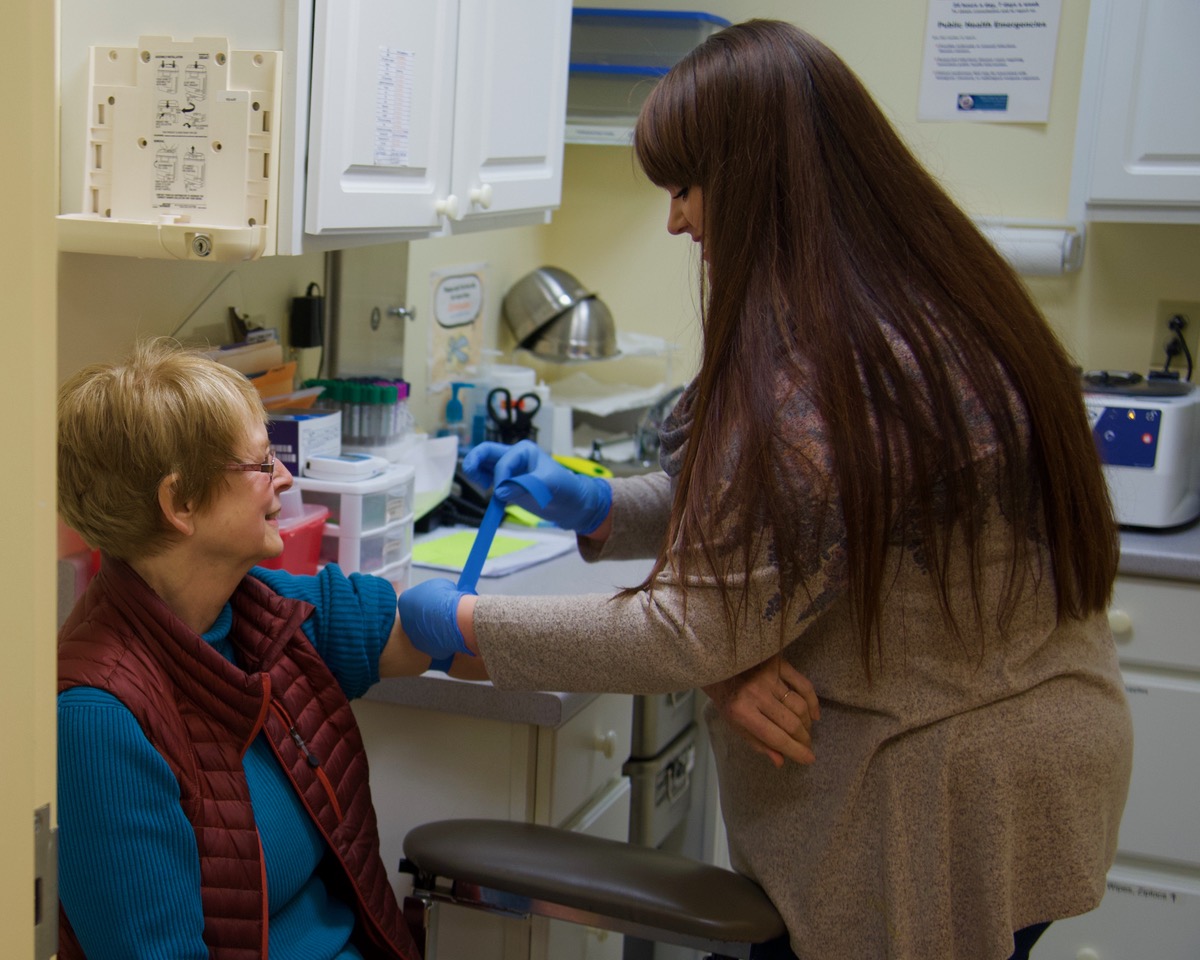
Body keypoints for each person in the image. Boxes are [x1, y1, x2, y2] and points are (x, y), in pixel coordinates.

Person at [397, 19, 1133, 960]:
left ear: (755, 180)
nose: (676, 220)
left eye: (685, 185)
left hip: (942, 789)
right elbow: (791, 519)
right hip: (1045, 745)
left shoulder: (821, 368)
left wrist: (460, 627)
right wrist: (603, 508)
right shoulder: (921, 289)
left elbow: (688, 628)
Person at [54, 338, 467, 960]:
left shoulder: (255, 607)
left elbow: (427, 635)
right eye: (259, 463)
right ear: (180, 504)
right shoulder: (97, 719)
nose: (285, 476)